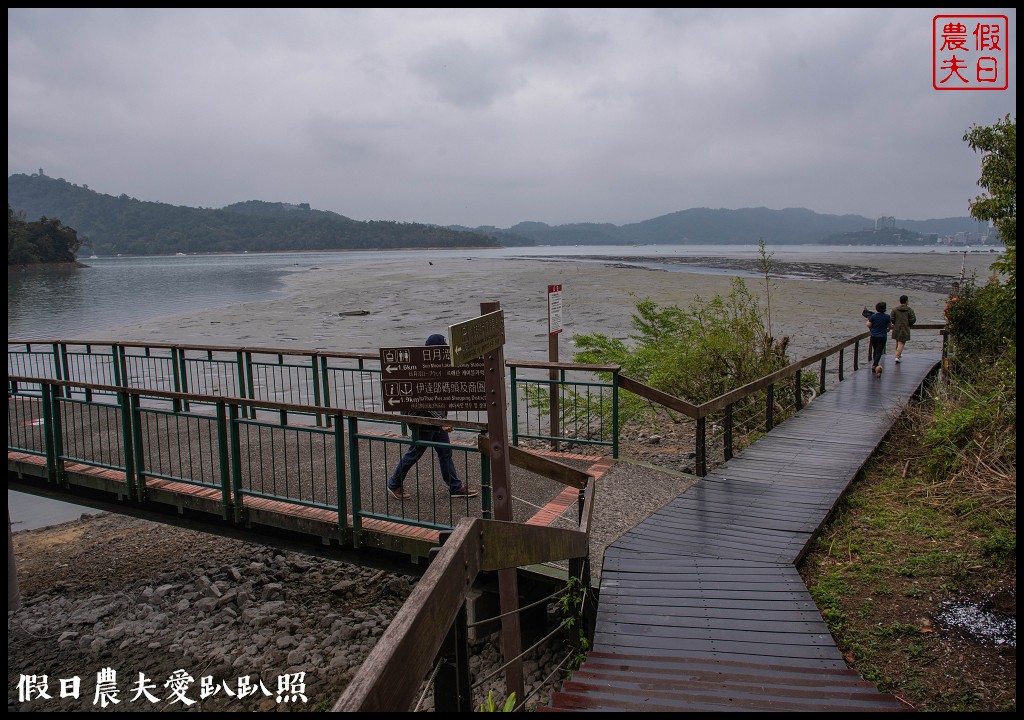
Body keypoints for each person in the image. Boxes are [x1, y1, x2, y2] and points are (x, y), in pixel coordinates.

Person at [386, 333, 478, 501]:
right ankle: (394, 484)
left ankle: (455, 487)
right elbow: (425, 401)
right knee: (414, 453)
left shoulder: (438, 367)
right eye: (442, 349)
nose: (445, 353)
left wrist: (443, 420)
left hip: (436, 421)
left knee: (445, 452)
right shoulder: (421, 369)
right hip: (422, 421)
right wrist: (442, 422)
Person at [865, 301, 892, 377]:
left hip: (874, 336)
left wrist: (872, 328)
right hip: (882, 336)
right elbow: (890, 325)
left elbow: (868, 324)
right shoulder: (887, 317)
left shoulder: (873, 316)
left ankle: (875, 364)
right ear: (885, 309)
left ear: (877, 308)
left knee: (875, 350)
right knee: (879, 351)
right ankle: (875, 364)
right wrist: (888, 329)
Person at [890, 295, 917, 363]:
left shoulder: (895, 310)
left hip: (896, 327)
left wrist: (895, 322)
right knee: (901, 342)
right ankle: (897, 356)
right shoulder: (910, 310)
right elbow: (913, 319)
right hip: (905, 327)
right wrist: (909, 323)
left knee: (898, 341)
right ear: (907, 301)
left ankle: (898, 353)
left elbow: (891, 319)